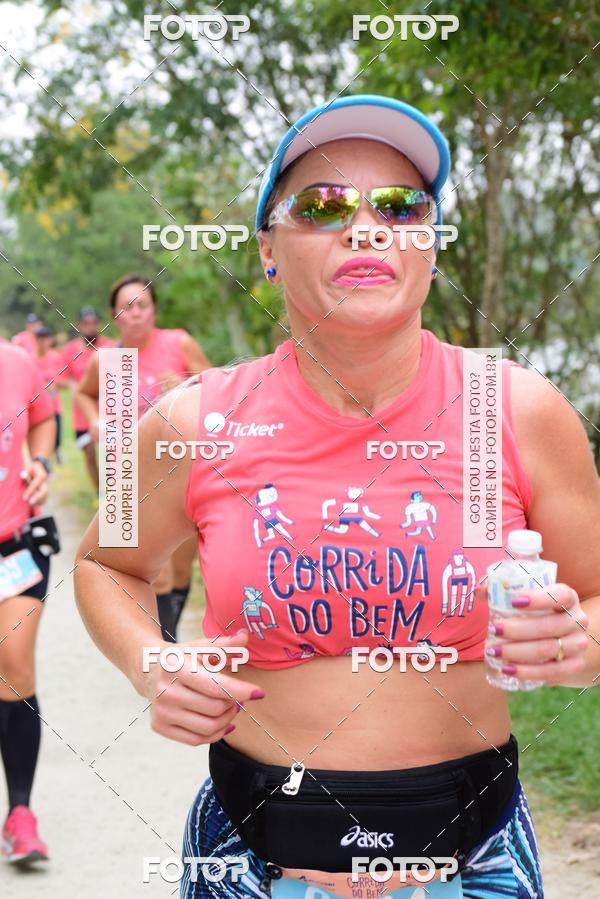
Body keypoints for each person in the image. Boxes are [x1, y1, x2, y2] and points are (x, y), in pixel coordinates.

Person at [73, 96, 600, 899]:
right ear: (268, 249)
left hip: (476, 860)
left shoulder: (516, 408)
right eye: (321, 206)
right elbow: (103, 563)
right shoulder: (193, 419)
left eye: (400, 206)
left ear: (431, 245)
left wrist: (578, 643)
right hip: (251, 859)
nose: (365, 227)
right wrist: (152, 662)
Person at [76, 275, 211, 642]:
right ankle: (162, 648)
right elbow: (84, 394)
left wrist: (186, 386)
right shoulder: (107, 360)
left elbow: (216, 388)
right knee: (155, 572)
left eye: (142, 305)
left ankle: (168, 633)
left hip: (180, 469)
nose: (134, 314)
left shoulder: (178, 343)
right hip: (128, 474)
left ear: (153, 311)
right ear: (114, 316)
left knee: (179, 571)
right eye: (126, 307)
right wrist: (94, 420)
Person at [0, 338, 57, 866]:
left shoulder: (16, 363)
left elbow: (44, 416)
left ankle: (21, 813)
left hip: (14, 547)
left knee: (15, 669)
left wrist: (39, 461)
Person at [61, 306, 115, 489]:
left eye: (93, 323)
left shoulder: (111, 346)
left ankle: (115, 493)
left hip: (109, 411)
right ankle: (100, 494)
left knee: (111, 456)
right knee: (90, 455)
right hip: (82, 414)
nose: (90, 327)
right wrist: (72, 385)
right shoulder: (70, 350)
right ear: (79, 325)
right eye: (85, 323)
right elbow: (60, 379)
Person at [33, 325, 67, 464]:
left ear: (50, 340)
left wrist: (55, 384)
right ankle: (45, 464)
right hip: (38, 407)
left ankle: (56, 449)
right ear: (36, 340)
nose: (43, 342)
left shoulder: (56, 357)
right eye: (40, 338)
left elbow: (64, 381)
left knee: (56, 437)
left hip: (54, 406)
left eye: (46, 338)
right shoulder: (31, 358)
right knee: (40, 439)